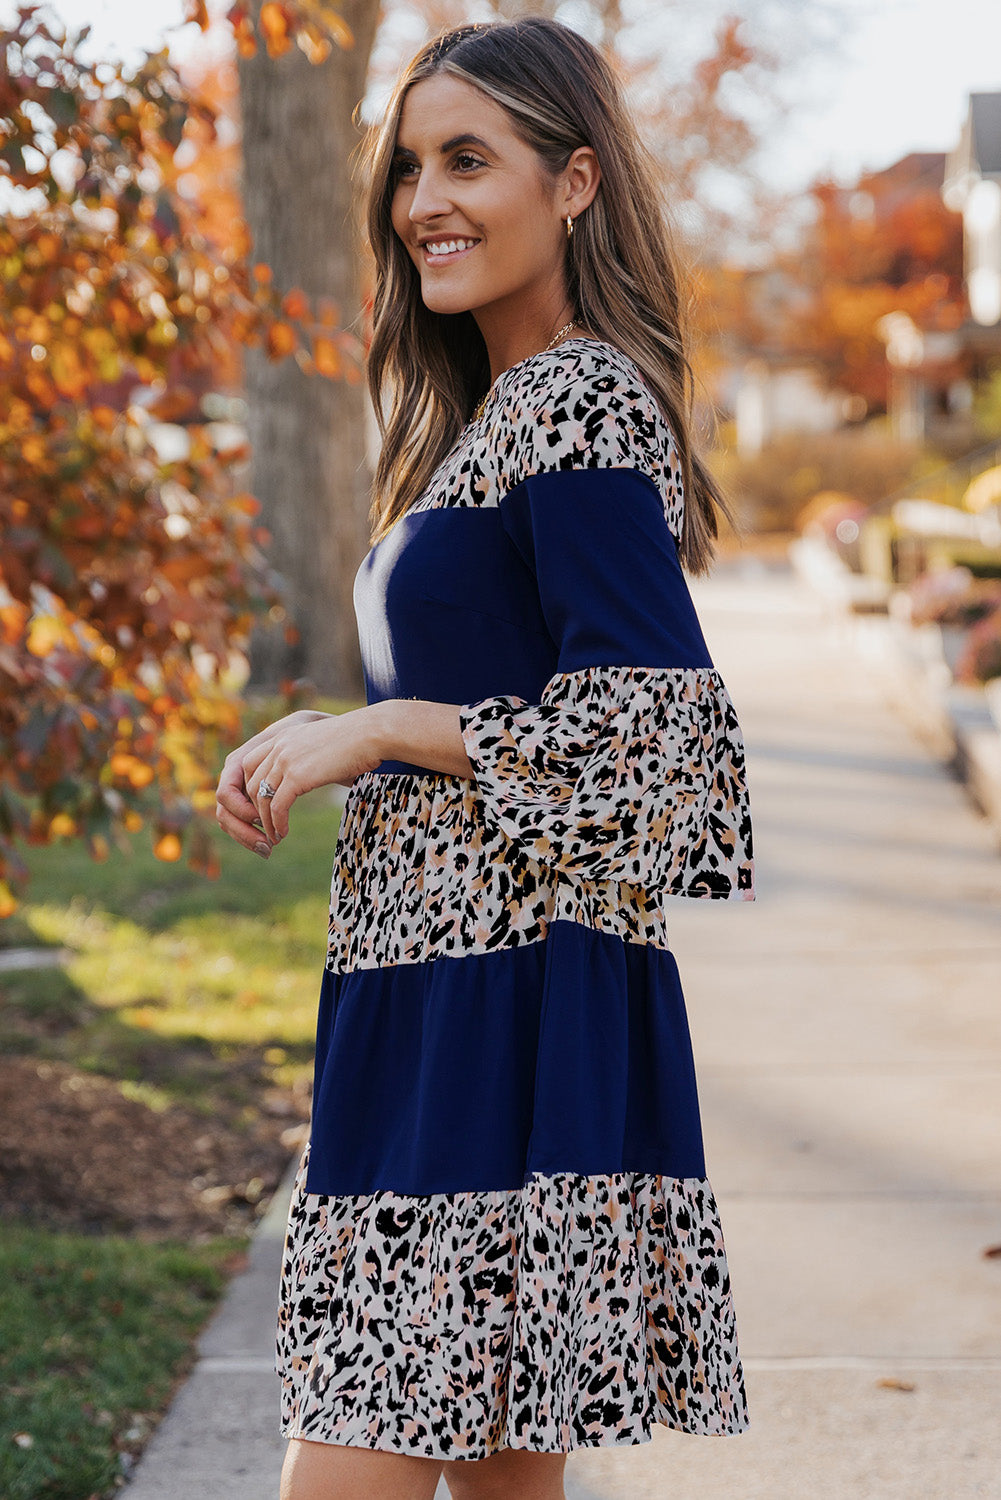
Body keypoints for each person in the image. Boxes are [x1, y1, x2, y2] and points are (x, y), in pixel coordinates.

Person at [214, 15, 756, 1500]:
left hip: (503, 1011)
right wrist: (337, 721)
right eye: (408, 167)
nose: (424, 200)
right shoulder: (481, 421)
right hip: (438, 1004)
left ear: (573, 183)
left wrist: (379, 732)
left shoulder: (575, 402)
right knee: (502, 1484)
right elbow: (495, 681)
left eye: (470, 158)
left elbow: (661, 751)